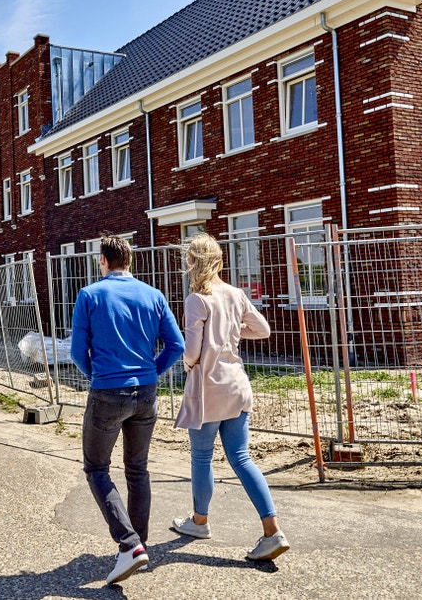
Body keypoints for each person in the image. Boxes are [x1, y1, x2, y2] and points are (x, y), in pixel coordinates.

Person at [70, 235, 184, 584]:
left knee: (96, 467)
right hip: (147, 391)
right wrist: (153, 370)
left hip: (107, 390)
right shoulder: (154, 295)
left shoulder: (90, 295)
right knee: (138, 469)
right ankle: (141, 545)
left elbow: (77, 352)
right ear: (130, 261)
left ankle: (129, 544)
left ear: (102, 260)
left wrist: (97, 375)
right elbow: (176, 345)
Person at [170, 233, 289, 561]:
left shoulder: (197, 298)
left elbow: (192, 350)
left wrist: (187, 361)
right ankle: (272, 530)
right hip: (237, 387)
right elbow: (263, 329)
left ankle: (199, 522)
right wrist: (234, 333)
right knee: (241, 458)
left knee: (202, 457)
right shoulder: (236, 294)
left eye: (188, 259)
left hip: (208, 390)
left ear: (194, 261)